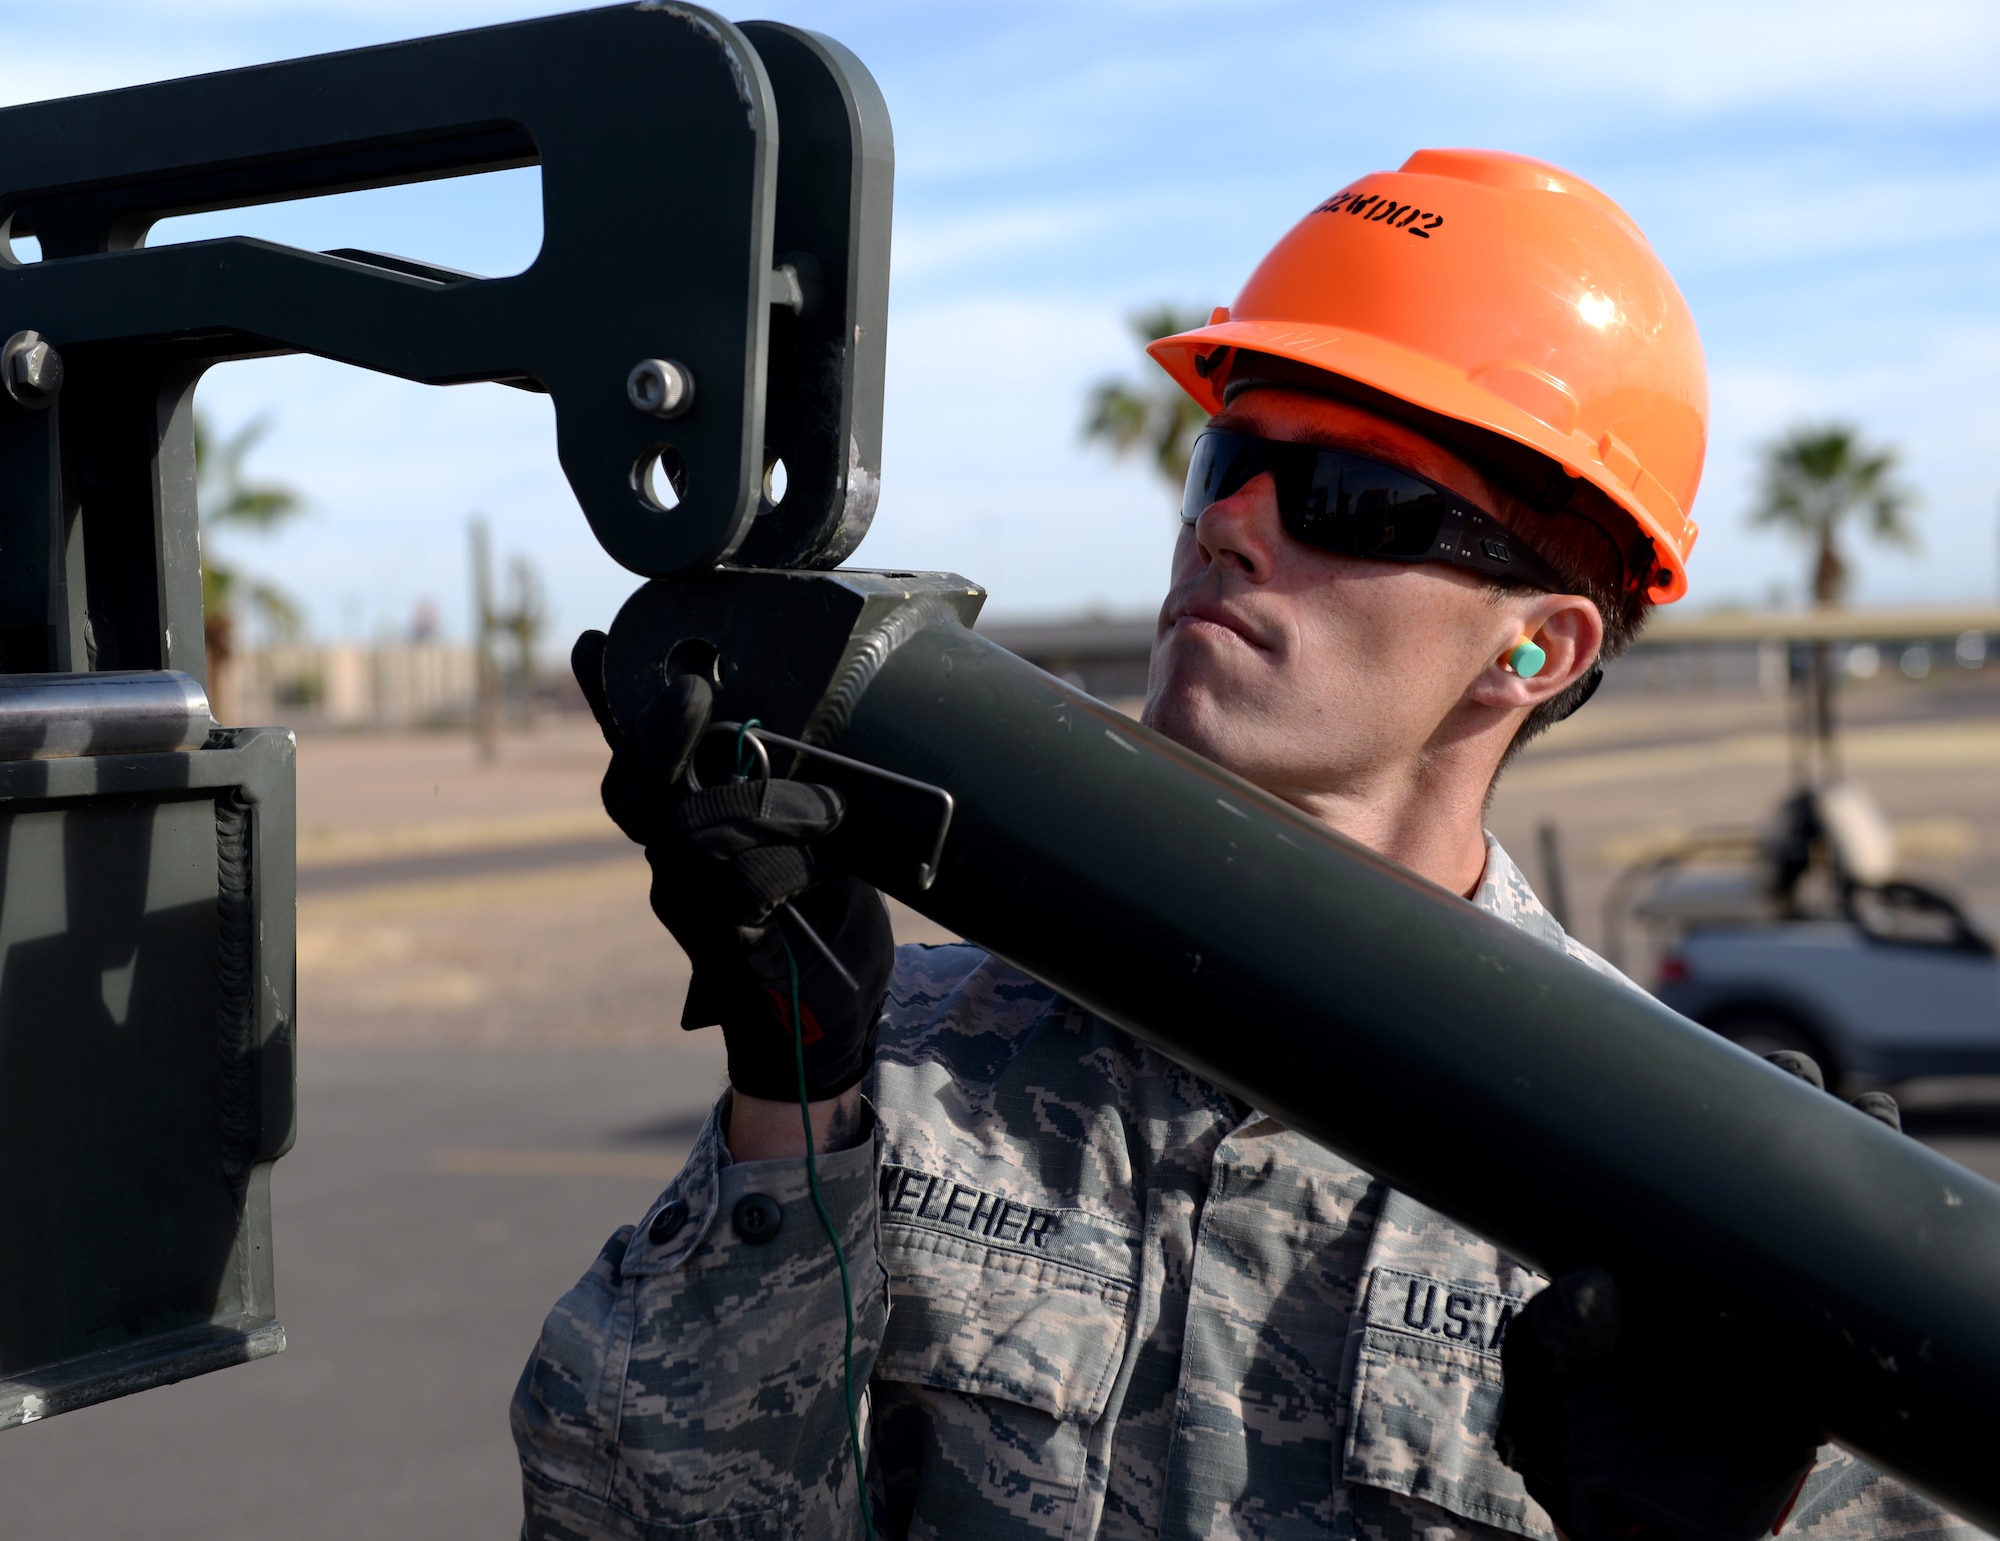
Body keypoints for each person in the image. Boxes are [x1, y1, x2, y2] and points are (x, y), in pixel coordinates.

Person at [512, 150, 1972, 1541]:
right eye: (1230, 464)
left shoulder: (1648, 1177)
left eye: (1353, 497)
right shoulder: (904, 1072)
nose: (1232, 528)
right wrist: (792, 1106)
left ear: (1535, 648)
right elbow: (611, 1501)